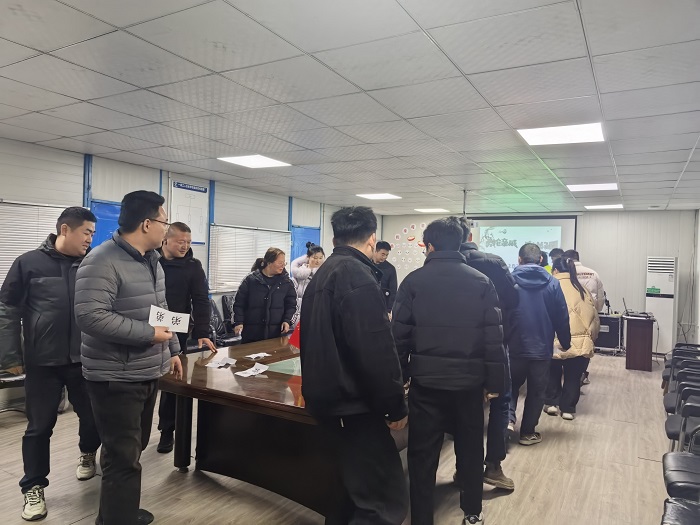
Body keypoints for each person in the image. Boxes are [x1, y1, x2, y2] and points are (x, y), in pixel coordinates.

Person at [75, 191, 183, 525]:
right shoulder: (101, 260)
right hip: (115, 377)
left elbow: (161, 309)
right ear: (147, 223)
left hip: (146, 370)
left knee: (131, 451)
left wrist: (173, 348)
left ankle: (117, 513)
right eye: (164, 222)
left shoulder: (151, 260)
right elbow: (90, 317)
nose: (167, 229)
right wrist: (149, 334)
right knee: (123, 457)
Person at [393, 217, 507, 525]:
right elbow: (494, 338)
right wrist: (495, 383)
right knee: (470, 450)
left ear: (429, 246)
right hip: (469, 385)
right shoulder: (482, 282)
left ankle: (421, 519)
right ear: (461, 243)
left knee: (422, 455)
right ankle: (472, 513)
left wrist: (400, 380)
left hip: (425, 386)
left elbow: (398, 339)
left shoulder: (413, 282)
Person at [300, 206, 408, 525]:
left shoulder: (325, 272)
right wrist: (396, 405)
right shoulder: (357, 276)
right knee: (381, 500)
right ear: (372, 238)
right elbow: (375, 350)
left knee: (345, 493)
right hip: (353, 406)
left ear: (335, 239)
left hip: (328, 401)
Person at [0, 207, 100, 522]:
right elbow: (7, 310)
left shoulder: (93, 264)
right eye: (86, 232)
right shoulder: (28, 263)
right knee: (39, 427)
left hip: (85, 359)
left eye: (93, 233)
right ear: (65, 230)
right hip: (42, 362)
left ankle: (88, 453)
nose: (90, 239)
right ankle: (33, 487)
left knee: (93, 418)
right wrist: (10, 357)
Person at [459, 217, 518, 491]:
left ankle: (464, 470)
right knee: (500, 403)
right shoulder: (494, 262)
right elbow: (513, 300)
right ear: (470, 236)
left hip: (460, 346)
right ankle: (493, 466)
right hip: (495, 342)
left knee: (465, 405)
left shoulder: (439, 266)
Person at [156, 222, 216, 454]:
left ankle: (167, 430)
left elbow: (201, 299)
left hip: (176, 330)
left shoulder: (193, 266)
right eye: (181, 241)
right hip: (147, 327)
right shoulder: (151, 260)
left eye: (189, 242)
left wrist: (202, 332)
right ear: (166, 239)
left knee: (173, 380)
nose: (185, 246)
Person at [509, 243, 571, 446]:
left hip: (513, 346)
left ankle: (507, 422)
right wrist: (565, 342)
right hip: (541, 348)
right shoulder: (553, 283)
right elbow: (561, 315)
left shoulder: (509, 281)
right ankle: (527, 433)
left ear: (519, 260)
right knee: (537, 392)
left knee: (510, 387)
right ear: (541, 260)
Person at [544, 256, 600, 420]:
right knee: (573, 377)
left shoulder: (549, 287)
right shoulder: (583, 290)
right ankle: (568, 409)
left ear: (555, 270)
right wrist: (591, 338)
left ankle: (552, 403)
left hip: (554, 340)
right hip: (580, 342)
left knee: (552, 373)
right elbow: (595, 318)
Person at [232, 248, 298, 344]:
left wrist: (287, 321)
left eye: (284, 263)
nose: (283, 266)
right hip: (251, 334)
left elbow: (292, 305)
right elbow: (238, 303)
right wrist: (238, 322)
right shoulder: (250, 280)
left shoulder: (287, 282)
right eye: (280, 263)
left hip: (276, 335)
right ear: (269, 262)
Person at [562, 249, 605, 385]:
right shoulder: (593, 273)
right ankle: (581, 373)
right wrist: (594, 312)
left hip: (568, 317)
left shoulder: (565, 274)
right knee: (585, 348)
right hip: (588, 318)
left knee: (567, 346)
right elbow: (600, 299)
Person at [373, 240, 398, 315]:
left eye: (387, 255)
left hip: (383, 306)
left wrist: (389, 310)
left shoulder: (390, 269)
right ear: (376, 251)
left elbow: (393, 291)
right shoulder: (367, 265)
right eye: (382, 254)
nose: (384, 257)